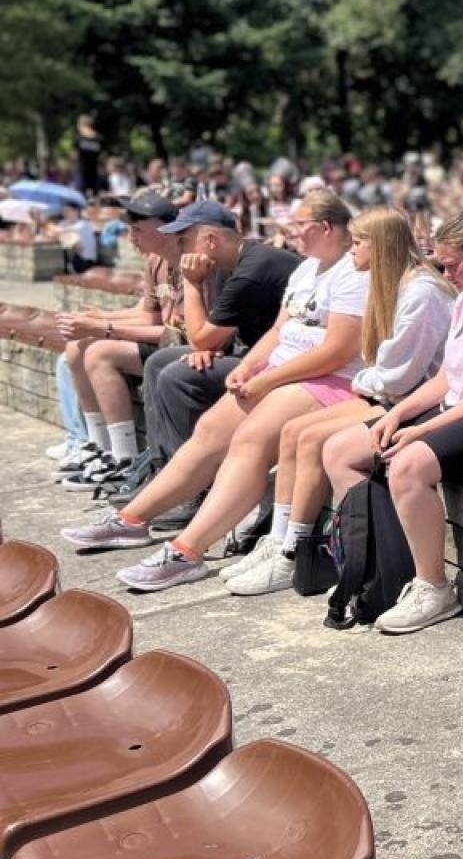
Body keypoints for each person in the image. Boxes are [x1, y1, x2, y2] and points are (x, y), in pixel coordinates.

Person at [60, 190, 364, 580]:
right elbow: (278, 331)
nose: (291, 233)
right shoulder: (306, 270)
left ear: (324, 227)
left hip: (328, 380)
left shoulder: (353, 273)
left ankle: (187, 551)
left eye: (298, 225)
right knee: (208, 431)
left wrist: (266, 377)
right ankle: (131, 518)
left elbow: (337, 352)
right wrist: (251, 367)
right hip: (284, 370)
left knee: (249, 439)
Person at [319, 210, 463, 635]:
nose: (446, 274)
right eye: (441, 265)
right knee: (343, 449)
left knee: (407, 464)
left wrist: (423, 429)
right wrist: (396, 413)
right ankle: (377, 568)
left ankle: (433, 586)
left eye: (452, 265)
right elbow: (448, 378)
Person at [222, 207, 455, 597]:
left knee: (316, 440)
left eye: (359, 243)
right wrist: (369, 379)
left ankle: (303, 551)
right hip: (391, 394)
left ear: (380, 247)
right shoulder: (395, 283)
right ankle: (282, 543)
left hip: (416, 401)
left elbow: (398, 374)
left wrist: (364, 379)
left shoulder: (421, 291)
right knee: (295, 431)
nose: (351, 251)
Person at [109, 201, 300, 517]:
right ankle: (164, 470)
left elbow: (201, 335)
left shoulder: (253, 268)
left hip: (277, 365)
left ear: (210, 240)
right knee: (160, 362)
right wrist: (206, 347)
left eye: (184, 240)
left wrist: (191, 282)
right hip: (251, 355)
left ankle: (192, 489)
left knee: (177, 376)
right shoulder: (231, 265)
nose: (180, 248)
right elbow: (211, 337)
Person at [53, 190, 190, 489]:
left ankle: (124, 458)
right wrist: (99, 318)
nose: (131, 238)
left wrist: (104, 328)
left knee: (99, 352)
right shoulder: (156, 260)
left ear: (164, 229)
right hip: (165, 340)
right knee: (77, 347)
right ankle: (98, 448)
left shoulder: (188, 262)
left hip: (183, 348)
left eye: (138, 230)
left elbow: (176, 332)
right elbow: (147, 314)